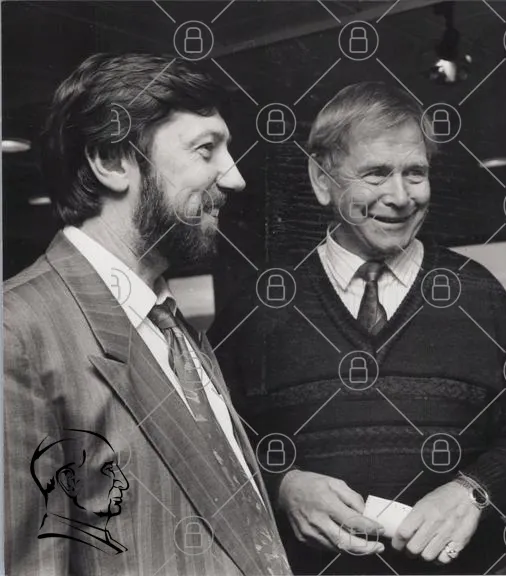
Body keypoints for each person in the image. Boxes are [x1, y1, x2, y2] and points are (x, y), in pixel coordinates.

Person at [210, 81, 506, 574]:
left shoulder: (477, 294)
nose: (400, 197)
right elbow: (209, 442)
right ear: (321, 180)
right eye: (376, 173)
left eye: (415, 173)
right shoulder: (258, 307)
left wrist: (475, 490)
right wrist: (281, 487)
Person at [5, 53, 292, 575]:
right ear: (113, 161)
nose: (235, 178)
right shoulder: (16, 332)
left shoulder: (170, 322)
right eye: (206, 150)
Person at [31, 430, 130, 555]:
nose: (124, 484)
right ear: (70, 481)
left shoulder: (106, 545)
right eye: (109, 469)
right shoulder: (57, 548)